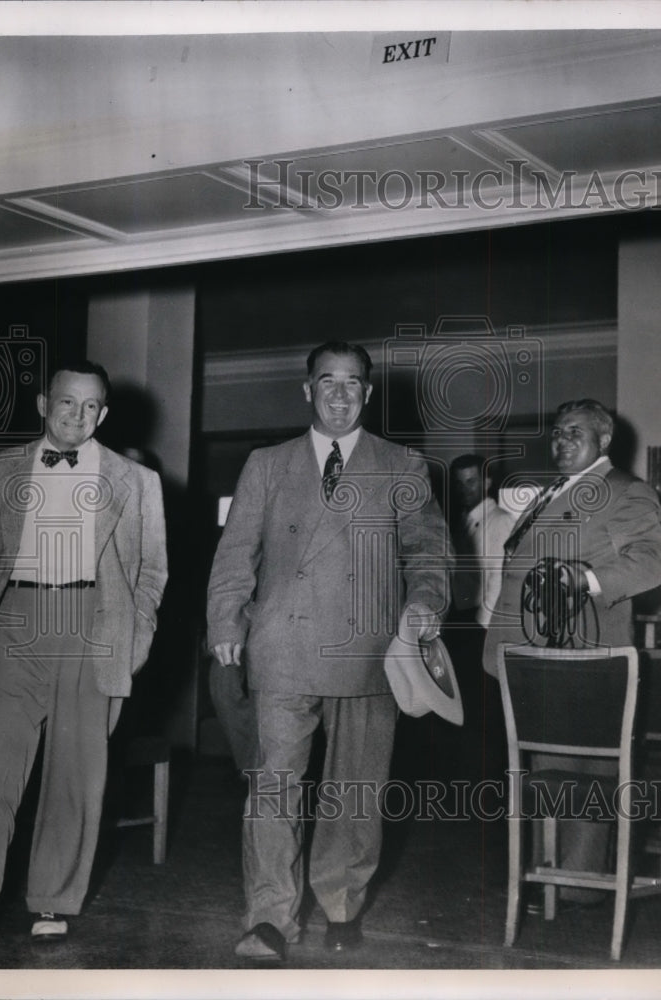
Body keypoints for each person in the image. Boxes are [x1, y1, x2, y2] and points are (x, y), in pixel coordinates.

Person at [206, 341, 449, 963]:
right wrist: (225, 623)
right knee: (273, 790)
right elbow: (236, 554)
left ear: (368, 393)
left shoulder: (402, 465)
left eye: (352, 383)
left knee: (356, 791)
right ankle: (269, 918)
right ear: (307, 389)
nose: (339, 393)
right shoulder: (267, 463)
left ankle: (341, 903)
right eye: (326, 381)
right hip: (282, 645)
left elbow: (428, 551)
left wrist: (424, 603)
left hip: (371, 649)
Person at [0, 361, 168, 955]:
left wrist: (136, 638)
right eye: (66, 404)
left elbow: (152, 572)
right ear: (41, 404)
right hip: (15, 623)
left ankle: (51, 899)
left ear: (103, 413)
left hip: (95, 625)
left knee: (76, 773)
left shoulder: (136, 480)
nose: (77, 416)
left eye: (91, 407)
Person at [483, 398, 661, 903]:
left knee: (585, 774)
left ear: (604, 441)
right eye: (557, 433)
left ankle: (579, 890)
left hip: (581, 660)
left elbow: (653, 563)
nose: (561, 441)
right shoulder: (551, 492)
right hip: (529, 657)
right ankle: (552, 883)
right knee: (548, 771)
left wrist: (585, 578)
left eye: (574, 433)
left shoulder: (625, 492)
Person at [448, 454, 516, 782]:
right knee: (467, 710)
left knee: (484, 713)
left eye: (471, 481)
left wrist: (482, 634)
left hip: (482, 629)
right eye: (459, 483)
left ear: (487, 482)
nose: (465, 489)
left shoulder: (500, 521)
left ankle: (489, 783)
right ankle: (472, 779)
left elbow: (498, 581)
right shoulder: (463, 522)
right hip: (463, 625)